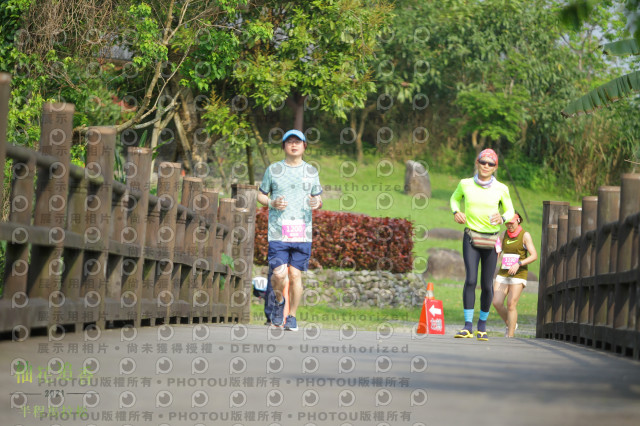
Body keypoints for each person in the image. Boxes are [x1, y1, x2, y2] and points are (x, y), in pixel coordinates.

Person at [257, 129, 323, 331]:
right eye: (289, 142)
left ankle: (292, 317)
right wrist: (271, 202)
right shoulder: (273, 170)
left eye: (298, 142)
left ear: (304, 146)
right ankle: (278, 304)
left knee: (295, 275)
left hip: (302, 232)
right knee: (278, 274)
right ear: (284, 146)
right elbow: (260, 195)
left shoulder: (311, 171)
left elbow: (319, 198)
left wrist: (316, 202)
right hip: (278, 231)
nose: (293, 145)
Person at [450, 148, 515, 341]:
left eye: (491, 163)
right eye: (483, 162)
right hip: (471, 237)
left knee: (487, 285)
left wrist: (502, 217)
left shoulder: (501, 188)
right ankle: (467, 326)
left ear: (495, 168)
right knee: (470, 280)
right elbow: (454, 199)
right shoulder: (465, 184)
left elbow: (510, 210)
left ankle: (482, 326)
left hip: (491, 240)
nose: (486, 166)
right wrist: (456, 212)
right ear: (477, 163)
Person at [492, 211, 537, 338]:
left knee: (511, 303)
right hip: (503, 273)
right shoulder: (503, 234)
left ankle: (510, 336)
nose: (509, 226)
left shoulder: (525, 235)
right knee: (496, 302)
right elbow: (497, 251)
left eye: (511, 223)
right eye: (507, 223)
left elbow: (534, 255)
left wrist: (519, 263)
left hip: (518, 274)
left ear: (518, 220)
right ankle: (511, 323)